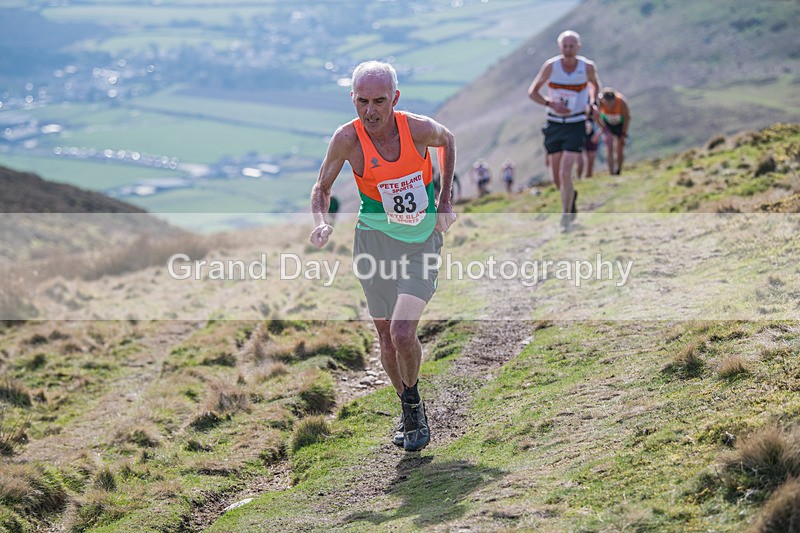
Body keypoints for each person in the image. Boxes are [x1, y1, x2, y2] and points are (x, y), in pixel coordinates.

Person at [309, 60, 457, 452]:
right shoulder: (347, 139)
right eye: (361, 101)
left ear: (395, 98)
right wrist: (321, 221)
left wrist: (444, 200)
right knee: (386, 339)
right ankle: (410, 407)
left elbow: (449, 141)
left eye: (378, 101)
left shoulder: (419, 129)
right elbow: (321, 187)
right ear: (353, 99)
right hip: (373, 241)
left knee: (402, 331)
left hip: (420, 239)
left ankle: (411, 405)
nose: (370, 110)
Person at [528, 30, 601, 231]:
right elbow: (532, 92)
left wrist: (593, 103)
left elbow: (595, 86)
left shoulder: (587, 67)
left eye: (572, 46)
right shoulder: (551, 66)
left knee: (565, 171)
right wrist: (550, 103)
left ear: (578, 47)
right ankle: (570, 198)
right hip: (554, 124)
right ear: (560, 48)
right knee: (557, 178)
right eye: (565, 46)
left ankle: (566, 216)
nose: (568, 50)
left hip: (576, 123)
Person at [597, 87, 630, 175]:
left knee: (619, 148)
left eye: (611, 103)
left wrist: (623, 134)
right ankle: (611, 172)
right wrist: (603, 128)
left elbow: (627, 118)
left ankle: (618, 169)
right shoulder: (599, 102)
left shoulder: (621, 102)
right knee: (609, 146)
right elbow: (596, 116)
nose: (609, 105)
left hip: (620, 125)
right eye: (607, 103)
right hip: (607, 124)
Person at [576, 107, 602, 178]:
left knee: (590, 163)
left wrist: (597, 135)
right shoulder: (576, 112)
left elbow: (603, 126)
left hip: (591, 139)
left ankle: (588, 179)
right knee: (580, 163)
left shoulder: (593, 111)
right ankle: (579, 179)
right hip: (578, 139)